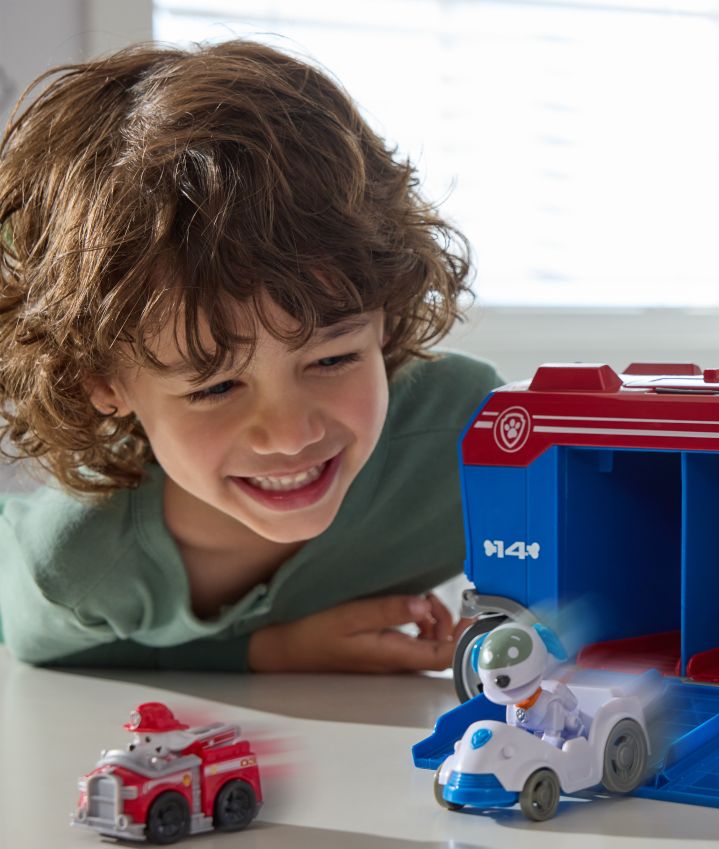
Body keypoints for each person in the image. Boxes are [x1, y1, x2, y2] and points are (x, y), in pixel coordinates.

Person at [0, 40, 503, 671]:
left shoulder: (473, 440)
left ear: (387, 312)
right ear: (103, 383)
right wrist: (271, 650)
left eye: (332, 360)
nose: (292, 436)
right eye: (215, 388)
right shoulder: (78, 564)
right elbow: (39, 648)